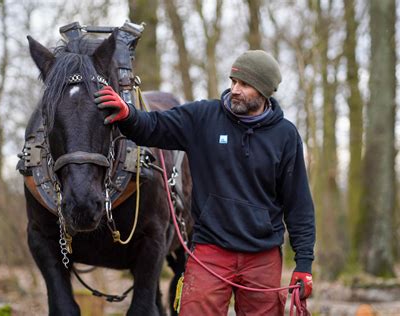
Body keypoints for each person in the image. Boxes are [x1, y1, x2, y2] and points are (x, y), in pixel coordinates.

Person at [94, 50, 315, 315]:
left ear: (264, 90)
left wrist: (303, 264)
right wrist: (128, 115)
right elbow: (152, 125)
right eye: (233, 82)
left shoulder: (285, 136)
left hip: (262, 258)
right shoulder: (203, 117)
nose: (235, 89)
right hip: (210, 251)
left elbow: (298, 205)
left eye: (244, 84)